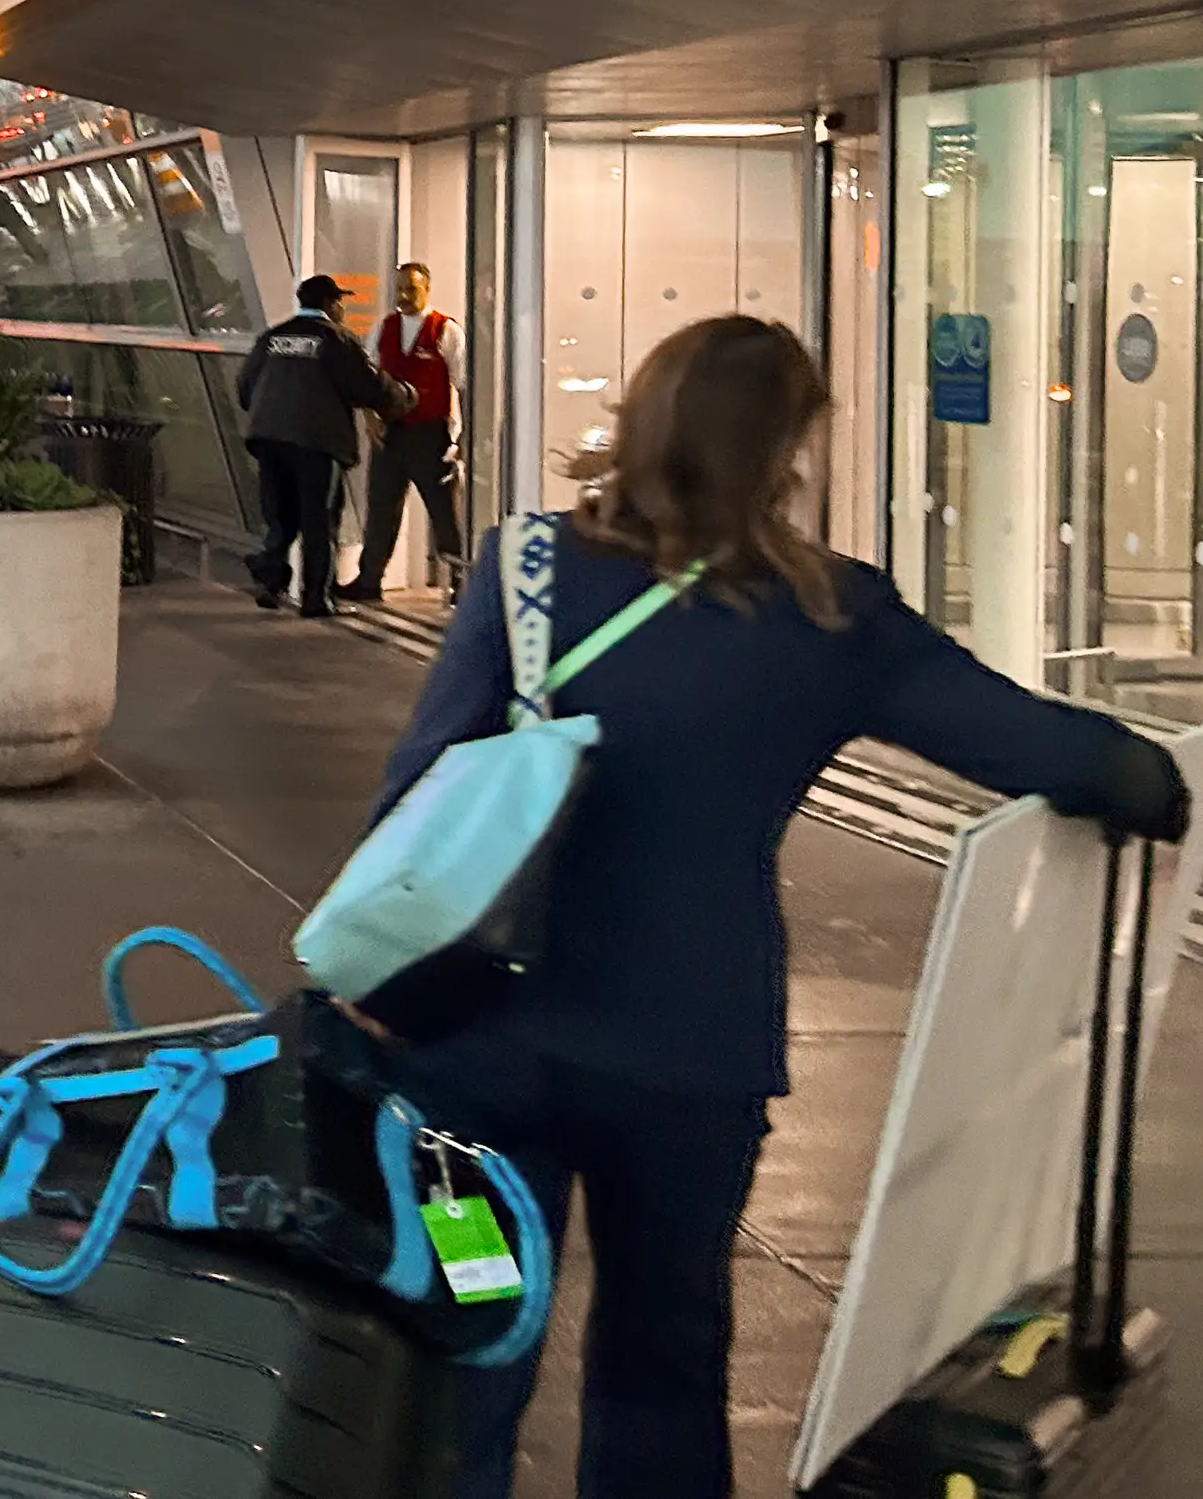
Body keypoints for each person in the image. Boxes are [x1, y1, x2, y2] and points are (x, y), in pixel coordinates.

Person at [371, 315, 1188, 1499]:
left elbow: (415, 789)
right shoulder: (829, 618)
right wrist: (1149, 780)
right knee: (661, 1358)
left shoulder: (523, 569)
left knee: (468, 1335)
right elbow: (1049, 752)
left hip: (473, 1064)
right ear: (784, 450)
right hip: (684, 1072)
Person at [237, 274, 402, 616]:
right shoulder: (335, 339)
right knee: (319, 521)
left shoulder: (273, 337)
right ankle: (316, 598)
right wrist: (405, 397)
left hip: (269, 438)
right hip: (315, 443)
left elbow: (244, 384)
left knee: (279, 515)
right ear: (330, 304)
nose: (342, 308)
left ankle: (270, 578)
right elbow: (368, 385)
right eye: (340, 301)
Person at [345, 260, 466, 602]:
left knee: (443, 512)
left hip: (431, 434)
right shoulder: (384, 328)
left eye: (411, 289)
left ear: (426, 288)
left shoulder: (446, 330)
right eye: (398, 289)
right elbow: (366, 378)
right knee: (381, 507)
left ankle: (461, 581)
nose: (403, 296)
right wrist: (369, 418)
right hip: (390, 434)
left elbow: (464, 384)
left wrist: (465, 438)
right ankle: (369, 580)